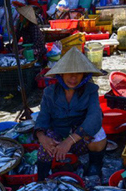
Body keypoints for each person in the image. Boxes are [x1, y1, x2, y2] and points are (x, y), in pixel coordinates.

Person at [34, 47, 107, 180]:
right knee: (45, 151)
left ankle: (94, 166)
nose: (73, 78)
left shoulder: (91, 90)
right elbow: (43, 116)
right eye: (69, 73)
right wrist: (41, 137)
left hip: (79, 133)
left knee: (99, 135)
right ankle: (42, 178)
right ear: (61, 74)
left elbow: (94, 117)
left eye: (78, 73)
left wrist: (69, 141)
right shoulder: (49, 92)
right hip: (58, 132)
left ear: (84, 75)